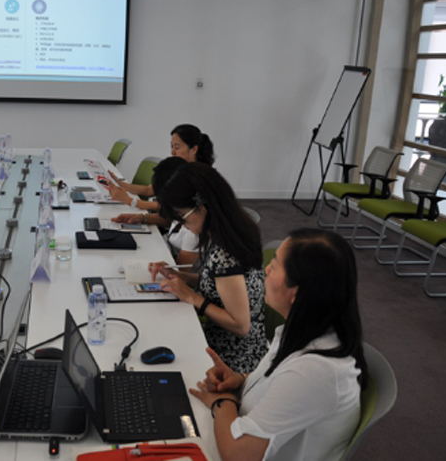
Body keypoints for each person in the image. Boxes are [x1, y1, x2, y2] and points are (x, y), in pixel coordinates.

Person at [190, 228, 367, 461]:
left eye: (274, 265)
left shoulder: (317, 370)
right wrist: (241, 380)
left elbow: (238, 454)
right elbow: (281, 380)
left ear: (297, 293)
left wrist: (223, 402)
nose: (266, 270)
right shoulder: (307, 331)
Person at [150, 163, 266, 372]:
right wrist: (180, 276)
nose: (181, 224)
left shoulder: (225, 254)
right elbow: (220, 283)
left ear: (203, 207)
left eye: (181, 214)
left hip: (233, 359)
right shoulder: (234, 231)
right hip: (231, 344)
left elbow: (241, 326)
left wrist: (192, 297)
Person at [107, 124, 214, 211]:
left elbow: (172, 208)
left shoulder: (199, 177)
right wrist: (119, 184)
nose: (172, 152)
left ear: (194, 149)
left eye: (177, 147)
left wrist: (131, 201)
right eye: (171, 146)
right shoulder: (177, 169)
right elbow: (149, 190)